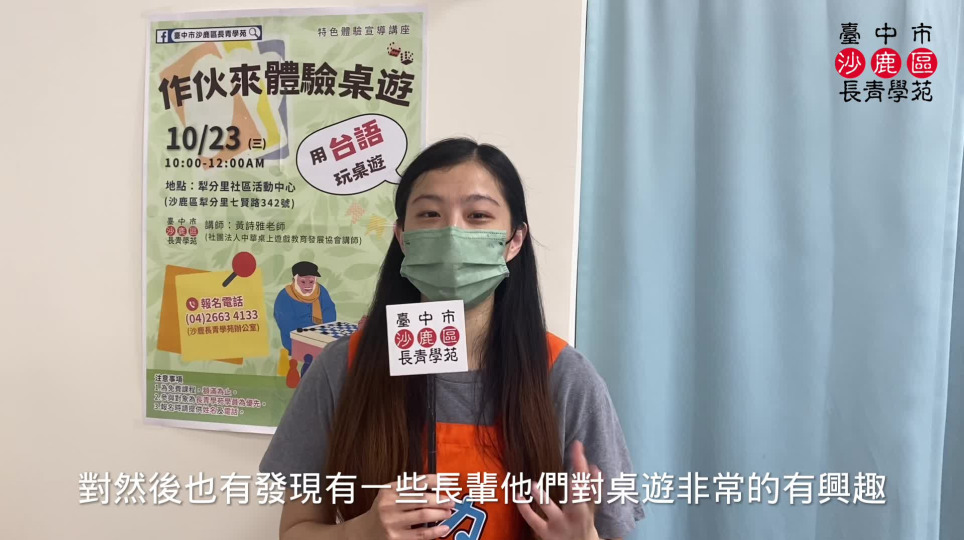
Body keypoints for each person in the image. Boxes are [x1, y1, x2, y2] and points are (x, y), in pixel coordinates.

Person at [260, 138, 643, 540]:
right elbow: (295, 532)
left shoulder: (564, 377)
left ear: (514, 240)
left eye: (478, 215)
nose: (451, 233)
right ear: (402, 237)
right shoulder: (344, 367)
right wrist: (361, 532)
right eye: (429, 214)